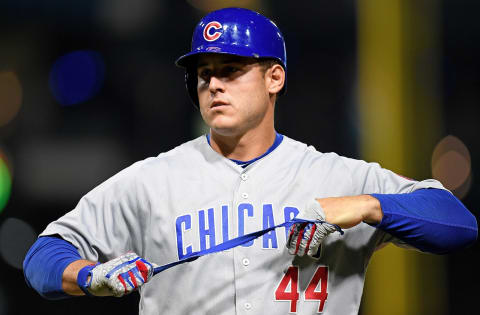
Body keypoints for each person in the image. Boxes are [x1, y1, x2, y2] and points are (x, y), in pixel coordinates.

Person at [23, 7, 477, 315]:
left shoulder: (336, 175)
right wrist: (89, 275)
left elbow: (458, 225)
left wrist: (366, 206)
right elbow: (42, 256)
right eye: (204, 75)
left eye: (231, 70)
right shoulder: (151, 181)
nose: (214, 85)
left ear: (274, 77)